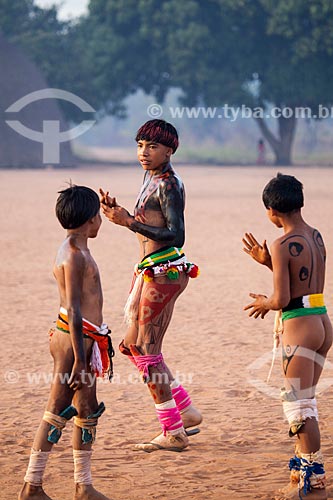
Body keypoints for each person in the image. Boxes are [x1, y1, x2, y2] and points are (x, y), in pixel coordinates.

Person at [100, 119, 202, 453]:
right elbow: (149, 224)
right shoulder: (151, 177)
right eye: (140, 144)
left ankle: (173, 432)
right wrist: (122, 215)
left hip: (165, 273)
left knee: (146, 350)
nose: (144, 152)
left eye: (153, 146)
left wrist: (129, 222)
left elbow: (177, 234)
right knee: (132, 346)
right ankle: (185, 410)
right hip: (149, 270)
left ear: (170, 150)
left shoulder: (168, 184)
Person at [19, 185, 114, 500]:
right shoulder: (73, 255)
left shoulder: (77, 248)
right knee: (56, 410)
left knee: (87, 410)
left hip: (85, 340)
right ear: (90, 219)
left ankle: (83, 486)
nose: (100, 220)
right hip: (75, 343)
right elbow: (73, 309)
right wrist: (81, 359)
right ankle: (31, 486)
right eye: (98, 215)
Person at [242, 173, 332, 498]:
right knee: (305, 401)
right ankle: (302, 471)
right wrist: (269, 263)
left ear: (271, 211)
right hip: (321, 321)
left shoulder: (281, 243)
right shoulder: (317, 235)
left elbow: (281, 300)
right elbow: (304, 284)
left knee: (299, 405)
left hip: (299, 326)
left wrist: (264, 303)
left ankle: (313, 481)